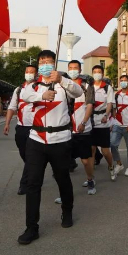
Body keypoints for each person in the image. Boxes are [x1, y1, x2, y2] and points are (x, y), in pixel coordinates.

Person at [17, 50, 83, 245]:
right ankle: (31, 227)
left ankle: (67, 211)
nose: (45, 64)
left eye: (49, 61)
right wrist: (42, 95)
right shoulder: (32, 86)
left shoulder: (63, 84)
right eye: (42, 61)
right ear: (38, 65)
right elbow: (26, 96)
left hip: (60, 140)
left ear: (54, 64)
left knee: (63, 179)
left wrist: (61, 79)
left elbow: (78, 92)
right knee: (33, 183)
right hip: (36, 139)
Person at [3, 65, 37, 195]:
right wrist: (7, 123)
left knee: (30, 156)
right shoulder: (18, 90)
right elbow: (12, 107)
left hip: (35, 128)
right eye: (27, 71)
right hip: (21, 127)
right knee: (25, 155)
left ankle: (24, 184)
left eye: (32, 72)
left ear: (36, 74)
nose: (29, 74)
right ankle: (34, 171)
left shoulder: (39, 88)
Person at [66, 60, 97, 195]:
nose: (73, 70)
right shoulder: (63, 85)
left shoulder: (87, 86)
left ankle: (90, 179)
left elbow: (89, 105)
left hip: (83, 128)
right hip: (66, 129)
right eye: (70, 68)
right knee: (63, 161)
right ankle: (65, 193)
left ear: (79, 70)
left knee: (85, 161)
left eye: (75, 68)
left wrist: (84, 122)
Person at [90, 65, 116, 181]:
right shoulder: (89, 87)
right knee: (91, 150)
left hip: (103, 121)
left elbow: (110, 103)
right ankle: (90, 177)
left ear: (103, 74)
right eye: (95, 72)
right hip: (91, 122)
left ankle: (111, 166)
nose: (97, 74)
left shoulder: (107, 88)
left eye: (99, 72)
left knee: (105, 151)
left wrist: (106, 115)